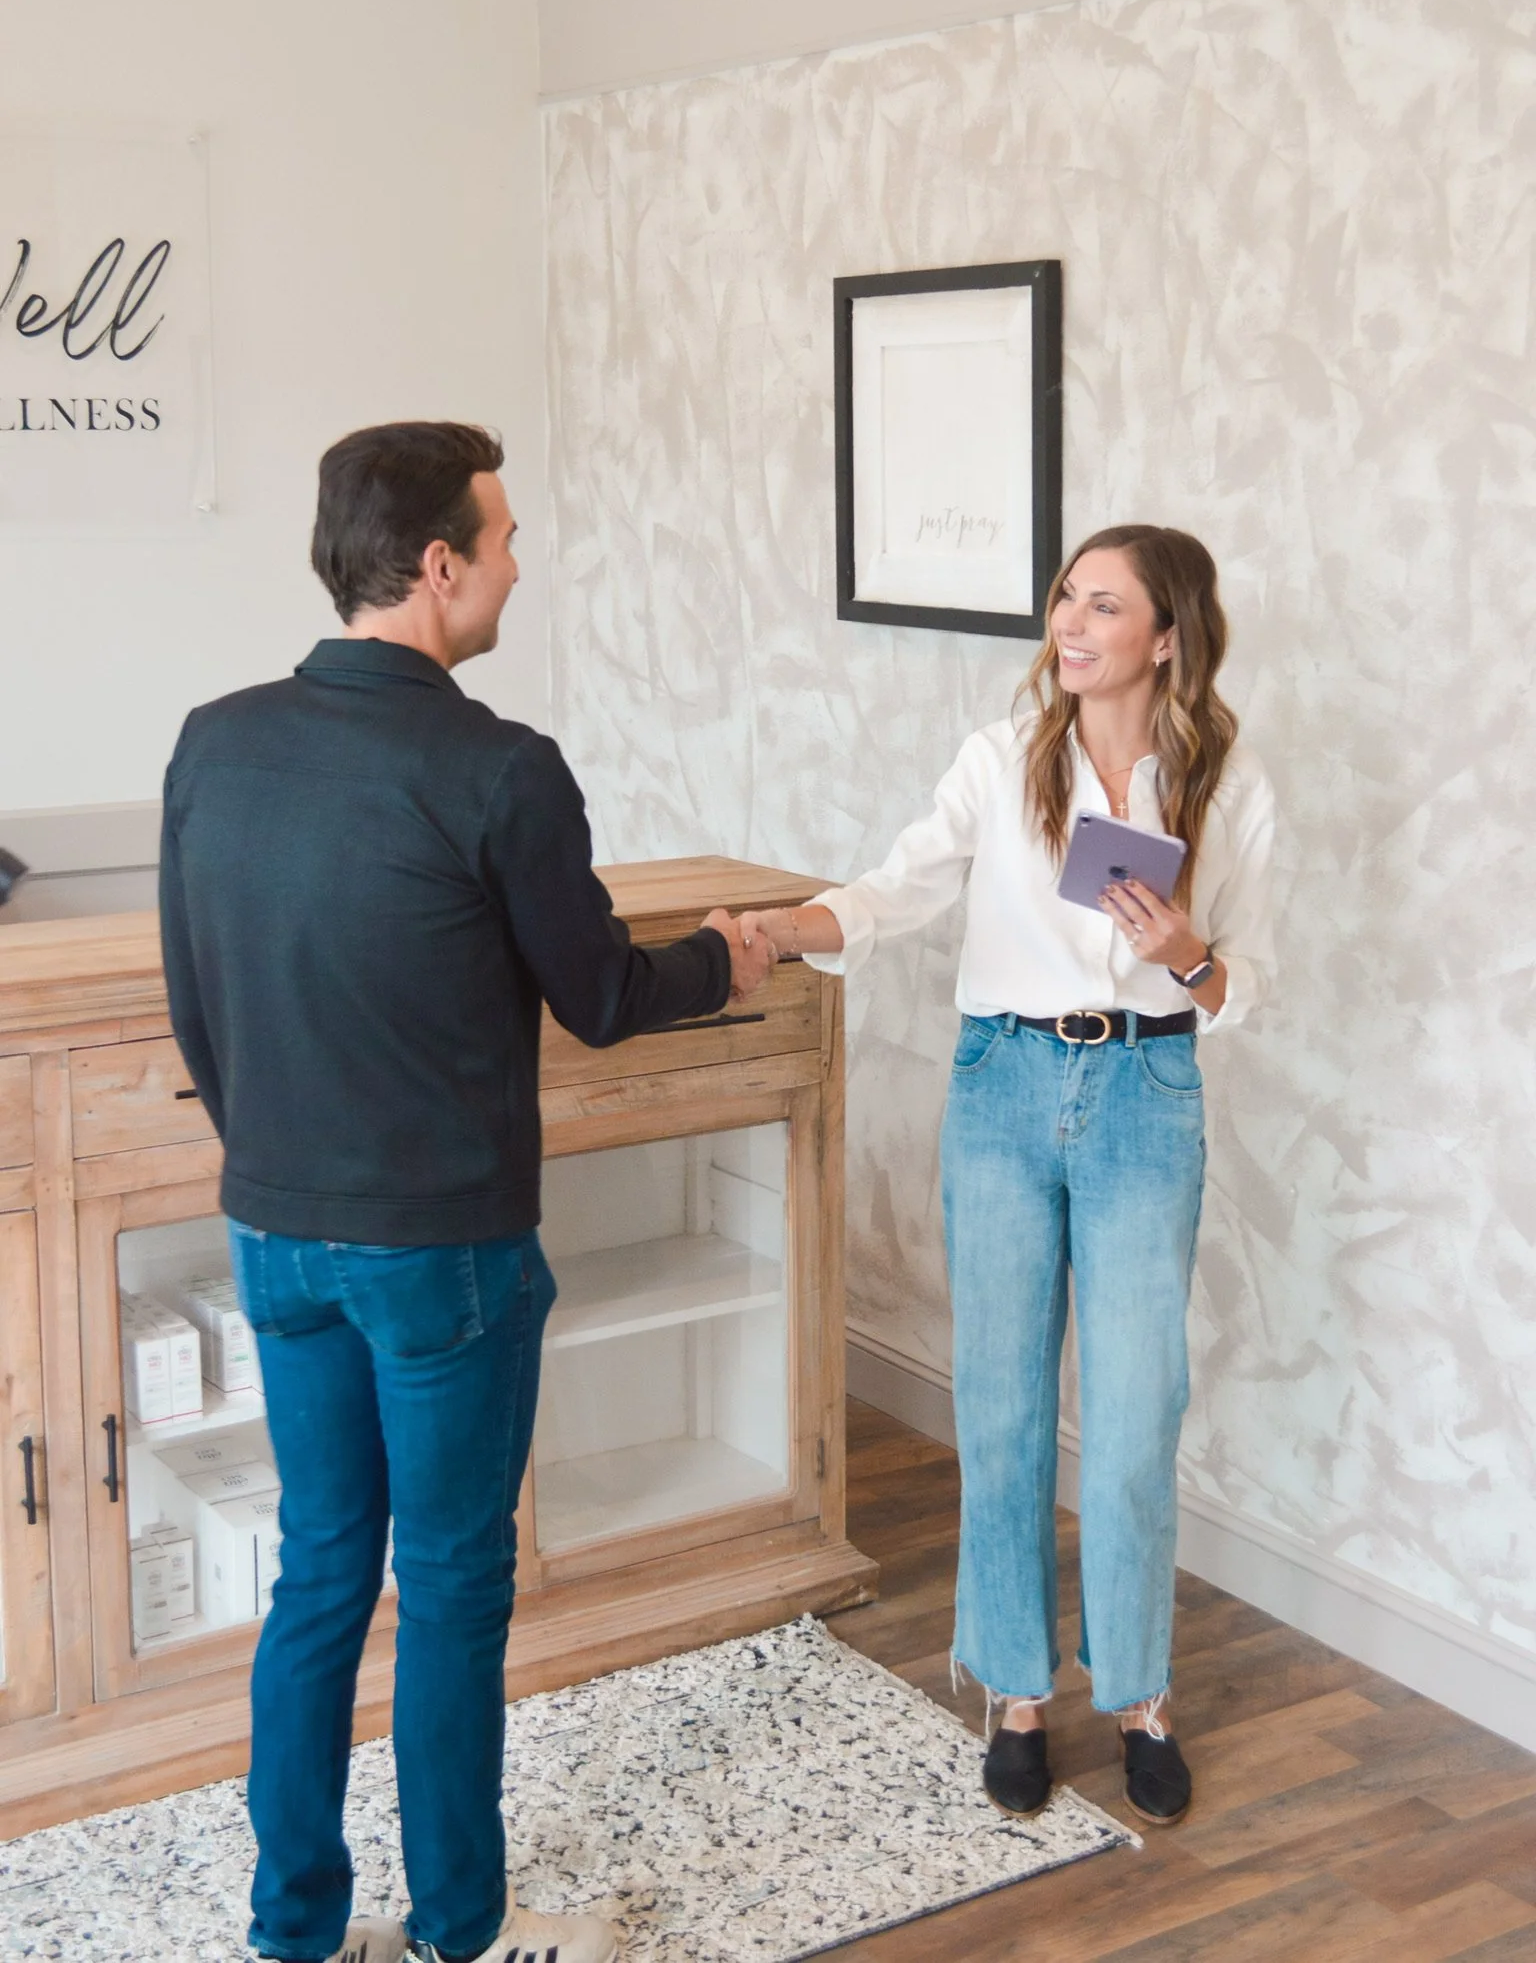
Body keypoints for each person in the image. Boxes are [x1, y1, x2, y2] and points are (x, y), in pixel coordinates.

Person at [159, 421, 774, 1963]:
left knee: (319, 1570)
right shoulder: (501, 767)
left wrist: (279, 1167)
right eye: (499, 539)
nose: (517, 562)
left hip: (277, 1232)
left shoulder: (214, 740)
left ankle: (293, 1930)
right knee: (444, 1588)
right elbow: (603, 992)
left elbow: (196, 1000)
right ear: (437, 567)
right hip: (439, 1255)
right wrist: (733, 956)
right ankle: (465, 1933)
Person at [741, 525, 1274, 1827]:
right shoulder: (1001, 760)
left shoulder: (1228, 788)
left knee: (1139, 1410)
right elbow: (892, 890)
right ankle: (1018, 1694)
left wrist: (1193, 953)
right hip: (1003, 1089)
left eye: (1105, 603)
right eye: (1064, 597)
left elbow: (1244, 985)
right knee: (1004, 1404)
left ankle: (1140, 1693)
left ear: (1166, 635)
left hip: (1148, 1090)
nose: (1072, 622)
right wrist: (777, 930)